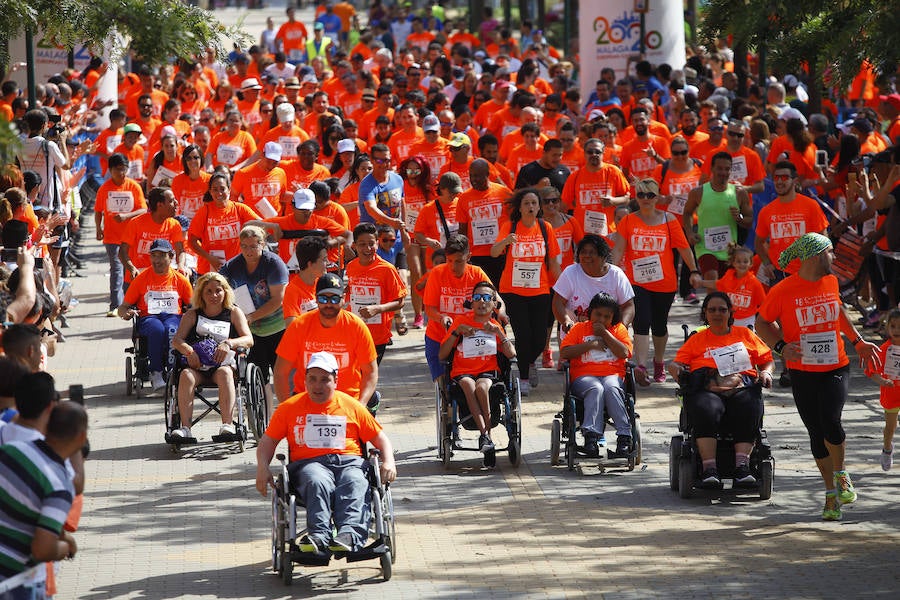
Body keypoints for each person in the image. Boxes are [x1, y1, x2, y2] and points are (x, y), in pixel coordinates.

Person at [756, 233, 881, 521]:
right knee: (815, 432)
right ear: (815, 256)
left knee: (831, 420)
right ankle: (830, 494)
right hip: (802, 372)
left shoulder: (831, 281)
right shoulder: (784, 289)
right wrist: (781, 347)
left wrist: (859, 341)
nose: (835, 258)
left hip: (836, 366)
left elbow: (838, 312)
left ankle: (841, 475)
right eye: (831, 252)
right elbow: (762, 322)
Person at [255, 351, 396, 554]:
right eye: (312, 379)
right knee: (317, 480)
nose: (317, 386)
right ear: (305, 380)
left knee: (355, 481)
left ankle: (348, 535)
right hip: (310, 464)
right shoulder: (289, 408)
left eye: (324, 380)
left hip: (350, 462)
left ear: (335, 380)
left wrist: (389, 462)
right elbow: (267, 442)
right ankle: (319, 537)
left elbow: (381, 439)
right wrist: (262, 467)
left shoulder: (352, 406)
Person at [668, 292, 775, 488]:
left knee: (749, 406)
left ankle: (742, 467)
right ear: (705, 313)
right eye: (712, 310)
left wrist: (766, 373)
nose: (717, 314)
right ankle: (709, 469)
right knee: (706, 408)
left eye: (722, 310)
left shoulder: (745, 335)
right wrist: (677, 371)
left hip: (742, 386)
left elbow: (767, 360)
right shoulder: (697, 340)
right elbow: (675, 364)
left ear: (730, 312)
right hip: (707, 389)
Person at [612, 178, 702, 386]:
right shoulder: (628, 221)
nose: (645, 199)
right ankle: (641, 367)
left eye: (650, 195)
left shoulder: (669, 220)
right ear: (636, 197)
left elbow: (684, 248)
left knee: (659, 325)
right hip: (637, 281)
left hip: (665, 283)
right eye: (641, 195)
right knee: (641, 321)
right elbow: (618, 249)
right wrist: (611, 274)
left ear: (658, 197)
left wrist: (694, 270)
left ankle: (659, 362)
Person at [0, 401, 87, 598]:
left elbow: (26, 511)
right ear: (81, 438)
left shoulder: (12, 451)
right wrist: (67, 547)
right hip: (14, 583)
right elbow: (42, 550)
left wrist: (65, 537)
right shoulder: (59, 485)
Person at [490, 187, 561, 395]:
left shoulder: (545, 227)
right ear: (520, 208)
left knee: (539, 338)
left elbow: (554, 262)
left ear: (539, 207)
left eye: (534, 203)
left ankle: (529, 362)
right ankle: (523, 378)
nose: (531, 207)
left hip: (540, 289)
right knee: (523, 335)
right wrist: (505, 241)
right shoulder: (509, 226)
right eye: (527, 203)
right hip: (513, 290)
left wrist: (561, 289)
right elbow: (494, 253)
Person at [170, 272, 254, 440]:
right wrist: (188, 350)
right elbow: (177, 340)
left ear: (225, 292)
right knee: (185, 375)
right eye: (208, 291)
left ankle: (227, 425)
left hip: (222, 365)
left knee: (225, 373)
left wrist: (229, 343)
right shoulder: (192, 314)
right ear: (201, 293)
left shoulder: (233, 312)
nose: (214, 295)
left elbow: (249, 339)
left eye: (218, 290)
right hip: (197, 366)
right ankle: (185, 428)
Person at [273, 273, 378, 407]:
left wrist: (361, 405)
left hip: (347, 403)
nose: (329, 304)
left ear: (344, 299)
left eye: (334, 299)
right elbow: (280, 372)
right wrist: (287, 409)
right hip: (305, 401)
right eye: (323, 299)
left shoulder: (356, 326)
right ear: (315, 299)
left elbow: (370, 372)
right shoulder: (299, 326)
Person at [438, 281, 516, 452]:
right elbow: (442, 354)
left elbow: (511, 354)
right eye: (477, 297)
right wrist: (456, 332)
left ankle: (485, 435)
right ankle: (486, 435)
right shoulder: (460, 321)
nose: (482, 301)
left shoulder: (495, 325)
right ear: (471, 301)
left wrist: (498, 333)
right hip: (463, 371)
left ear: (494, 303)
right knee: (468, 384)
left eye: (487, 298)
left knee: (482, 387)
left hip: (488, 371)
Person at [559, 293, 633, 458]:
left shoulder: (619, 329)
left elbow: (624, 352)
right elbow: (565, 352)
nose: (602, 319)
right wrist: (591, 344)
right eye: (598, 314)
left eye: (607, 316)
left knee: (610, 386)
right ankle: (591, 439)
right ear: (590, 312)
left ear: (613, 317)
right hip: (584, 377)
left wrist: (605, 334)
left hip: (612, 375)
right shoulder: (579, 328)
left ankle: (624, 437)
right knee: (596, 387)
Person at [219, 225, 288, 391]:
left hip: (277, 327)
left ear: (262, 244)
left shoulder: (274, 264)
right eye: (244, 246)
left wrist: (251, 317)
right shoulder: (232, 267)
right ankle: (265, 414)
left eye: (253, 246)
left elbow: (278, 299)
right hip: (251, 331)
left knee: (281, 376)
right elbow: (219, 285)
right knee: (259, 380)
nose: (248, 251)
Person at [117, 239, 192, 390]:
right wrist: (127, 313)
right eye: (153, 256)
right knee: (157, 329)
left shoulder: (180, 280)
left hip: (173, 317)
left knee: (172, 329)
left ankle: (172, 371)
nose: (156, 260)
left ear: (171, 257)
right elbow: (123, 307)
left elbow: (193, 306)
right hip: (149, 318)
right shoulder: (141, 279)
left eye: (161, 256)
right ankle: (156, 372)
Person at [344, 222, 407, 367]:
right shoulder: (351, 266)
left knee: (368, 376)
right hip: (354, 331)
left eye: (371, 244)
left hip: (377, 336)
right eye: (362, 244)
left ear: (377, 244)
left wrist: (378, 309)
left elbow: (400, 301)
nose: (367, 248)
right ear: (354, 245)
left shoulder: (387, 269)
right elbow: (351, 290)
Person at [683, 151, 753, 281]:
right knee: (712, 279)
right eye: (719, 168)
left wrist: (739, 218)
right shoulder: (698, 192)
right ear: (712, 169)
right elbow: (687, 213)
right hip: (705, 247)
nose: (723, 172)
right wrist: (690, 233)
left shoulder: (739, 193)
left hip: (730, 249)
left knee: (726, 286)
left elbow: (749, 220)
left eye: (727, 169)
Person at [94, 153, 148, 316]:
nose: (122, 173)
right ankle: (115, 305)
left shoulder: (133, 186)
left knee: (130, 269)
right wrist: (98, 228)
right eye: (118, 170)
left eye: (124, 169)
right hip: (112, 237)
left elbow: (143, 209)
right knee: (116, 269)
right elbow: (98, 211)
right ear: (110, 170)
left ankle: (130, 302)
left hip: (132, 237)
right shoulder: (105, 188)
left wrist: (126, 216)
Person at [553, 234, 635, 330]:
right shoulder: (570, 272)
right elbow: (557, 303)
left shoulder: (616, 274)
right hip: (575, 334)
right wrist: (566, 321)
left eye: (592, 252)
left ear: (604, 257)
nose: (587, 256)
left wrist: (621, 328)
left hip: (608, 334)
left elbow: (628, 306)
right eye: (583, 252)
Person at [188, 172, 261, 274]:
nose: (219, 193)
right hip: (210, 269)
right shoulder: (204, 212)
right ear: (210, 192)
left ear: (229, 189)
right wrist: (209, 258)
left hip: (237, 268)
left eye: (222, 189)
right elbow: (192, 241)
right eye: (215, 190)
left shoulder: (240, 208)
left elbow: (262, 225)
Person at [865, 308, 900, 471]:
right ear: (887, 328)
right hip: (891, 393)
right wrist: (883, 381)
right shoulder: (884, 349)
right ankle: (887, 448)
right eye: (893, 326)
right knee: (890, 427)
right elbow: (871, 371)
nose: (897, 330)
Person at [704, 245, 767, 329]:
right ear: (733, 263)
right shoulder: (728, 277)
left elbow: (763, 303)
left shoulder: (754, 282)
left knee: (745, 341)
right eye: (738, 261)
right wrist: (701, 283)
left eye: (745, 261)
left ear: (751, 264)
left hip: (747, 320)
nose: (742, 264)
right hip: (729, 318)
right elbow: (717, 284)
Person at [282, 236, 328, 324]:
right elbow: (292, 328)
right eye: (324, 259)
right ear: (310, 264)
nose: (328, 263)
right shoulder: (292, 291)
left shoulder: (324, 283)